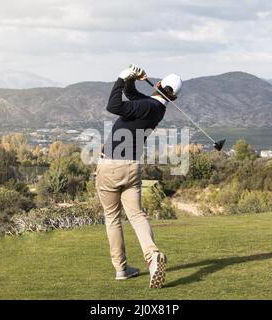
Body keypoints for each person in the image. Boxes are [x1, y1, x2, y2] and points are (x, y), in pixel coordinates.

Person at [96, 64, 182, 288]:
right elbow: (133, 97)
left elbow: (113, 105)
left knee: (113, 218)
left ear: (160, 85)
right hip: (131, 167)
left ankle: (121, 269)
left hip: (110, 166)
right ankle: (152, 256)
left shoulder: (147, 105)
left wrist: (120, 77)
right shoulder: (156, 108)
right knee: (136, 215)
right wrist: (133, 80)